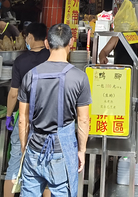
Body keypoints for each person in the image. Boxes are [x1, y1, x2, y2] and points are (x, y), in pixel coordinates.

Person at [18, 24, 91, 197]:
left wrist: (24, 149)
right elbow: (83, 120)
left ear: (46, 43)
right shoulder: (79, 77)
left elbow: (23, 119)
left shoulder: (31, 75)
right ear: (71, 42)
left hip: (34, 147)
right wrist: (81, 151)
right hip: (62, 152)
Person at [4, 22, 50, 197]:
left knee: (16, 161)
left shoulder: (21, 60)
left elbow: (13, 93)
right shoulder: (52, 57)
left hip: (23, 115)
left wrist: (9, 116)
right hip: (46, 116)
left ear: (30, 37)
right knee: (46, 163)